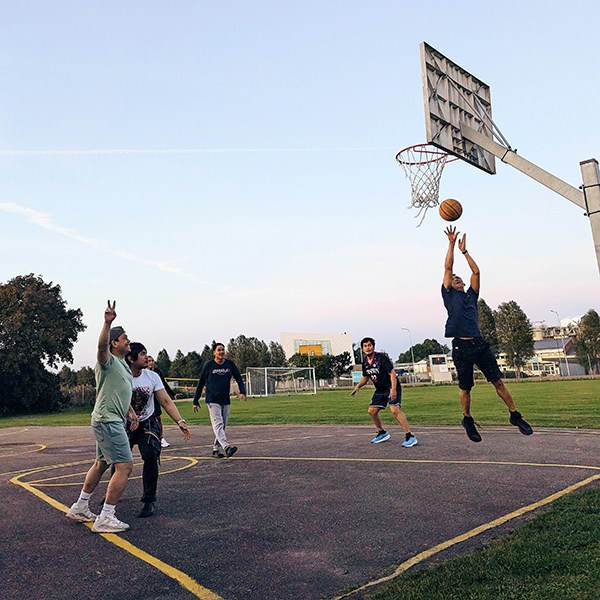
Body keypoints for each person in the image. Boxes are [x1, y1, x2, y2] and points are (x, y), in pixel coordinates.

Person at [442, 225, 533, 442]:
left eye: (458, 278)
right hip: (461, 347)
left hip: (479, 344)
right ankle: (467, 419)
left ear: (463, 283)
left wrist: (465, 252)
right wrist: (452, 244)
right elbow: (447, 268)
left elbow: (476, 272)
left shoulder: (472, 295)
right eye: (452, 278)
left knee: (498, 381)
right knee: (466, 388)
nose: (455, 278)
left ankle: (515, 415)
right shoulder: (449, 296)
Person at [66, 301, 137, 533]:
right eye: (125, 338)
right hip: (108, 421)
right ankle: (106, 516)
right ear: (115, 343)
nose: (129, 341)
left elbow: (116, 391)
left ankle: (81, 507)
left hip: (109, 418)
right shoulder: (107, 360)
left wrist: (129, 410)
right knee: (125, 466)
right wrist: (107, 323)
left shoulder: (123, 366)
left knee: (102, 463)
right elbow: (100, 347)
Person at [125, 343, 190, 517]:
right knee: (119, 460)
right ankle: (112, 492)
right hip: (125, 423)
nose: (146, 357)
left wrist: (180, 421)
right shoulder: (121, 376)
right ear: (131, 359)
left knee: (151, 455)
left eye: (146, 353)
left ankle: (149, 500)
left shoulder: (152, 377)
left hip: (147, 422)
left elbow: (166, 401)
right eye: (142, 354)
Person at [350, 337, 417, 447]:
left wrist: (394, 389)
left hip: (391, 386)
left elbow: (392, 374)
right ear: (362, 349)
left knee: (394, 409)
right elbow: (365, 377)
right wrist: (358, 386)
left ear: (373, 346)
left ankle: (410, 436)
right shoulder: (365, 362)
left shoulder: (381, 358)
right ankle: (382, 433)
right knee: (372, 411)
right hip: (380, 390)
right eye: (365, 346)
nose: (368, 348)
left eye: (369, 345)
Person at [193, 342, 246, 457]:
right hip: (212, 400)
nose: (221, 352)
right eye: (219, 350)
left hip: (225, 399)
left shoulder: (229, 364)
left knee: (223, 426)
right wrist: (195, 400)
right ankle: (226, 447)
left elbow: (239, 378)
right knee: (218, 424)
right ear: (214, 353)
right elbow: (201, 382)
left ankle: (216, 449)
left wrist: (243, 391)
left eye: (223, 350)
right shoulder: (209, 365)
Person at [147, 355, 178, 448]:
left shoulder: (157, 372)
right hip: (147, 398)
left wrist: (172, 393)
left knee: (158, 417)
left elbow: (163, 384)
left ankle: (161, 438)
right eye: (149, 361)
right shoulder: (142, 373)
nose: (151, 362)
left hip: (155, 397)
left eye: (152, 360)